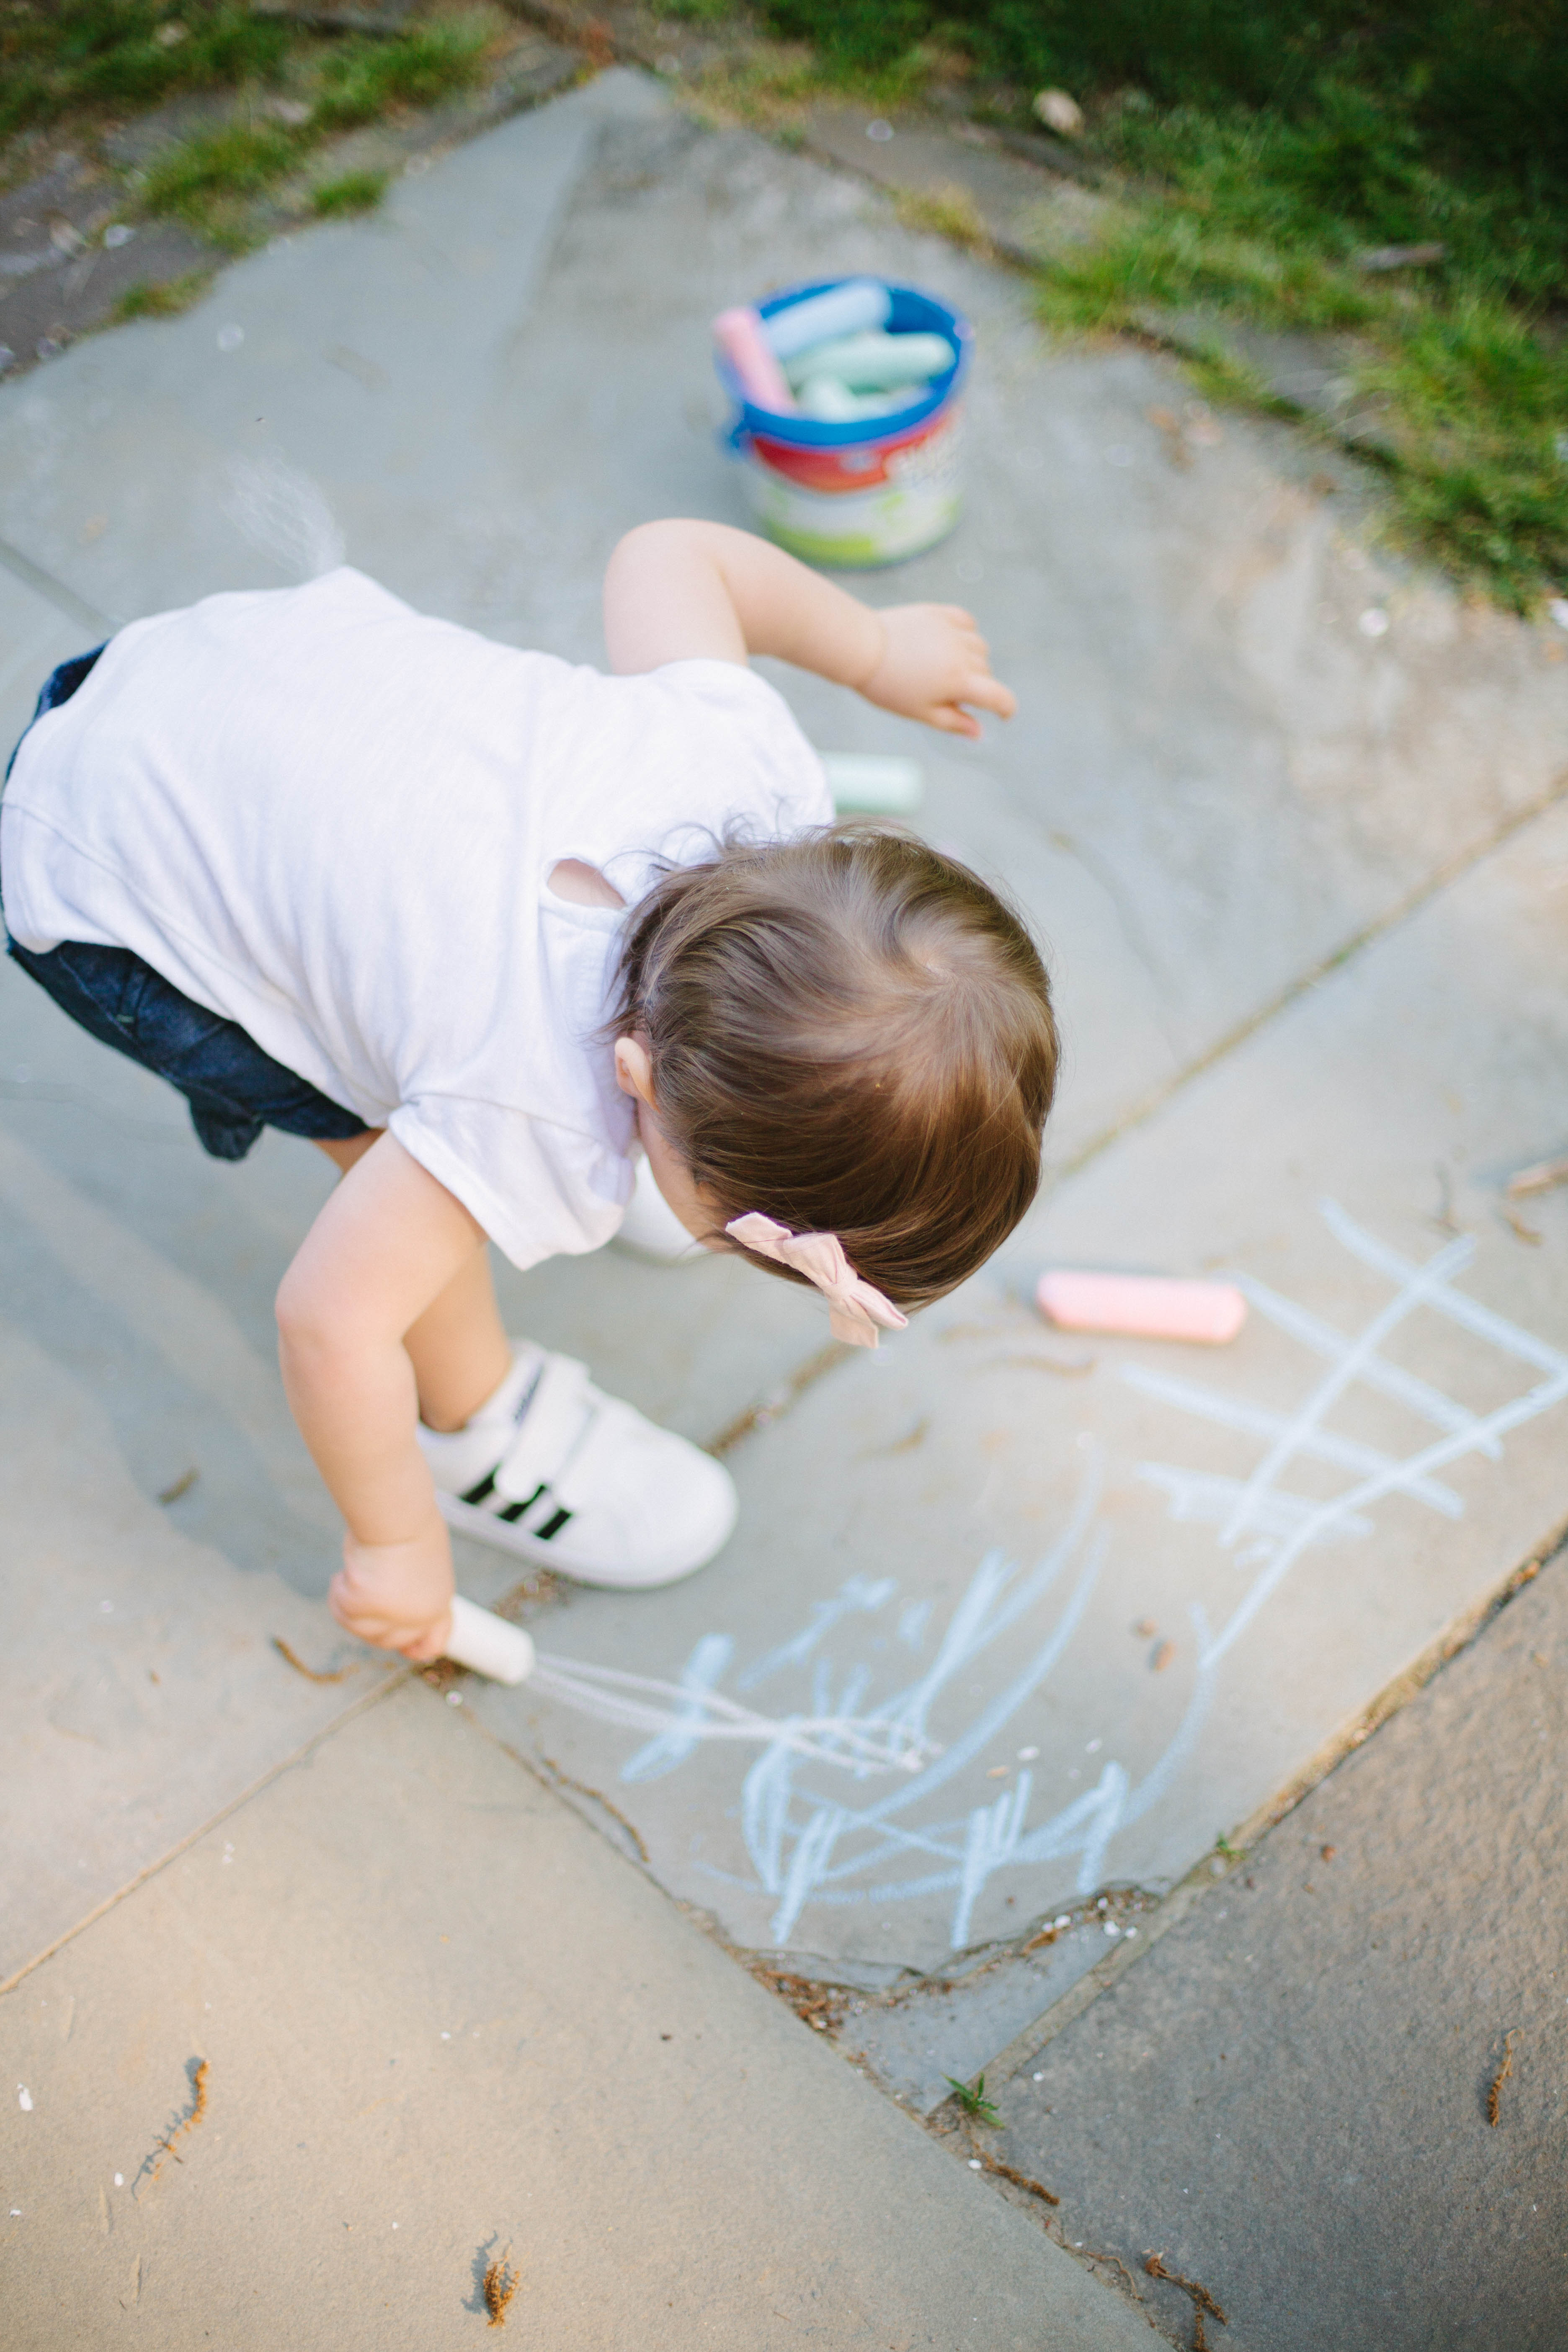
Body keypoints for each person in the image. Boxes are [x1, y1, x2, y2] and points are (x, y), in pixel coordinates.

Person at [0, 519, 1057, 1660]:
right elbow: (330, 1322)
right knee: (393, 1171)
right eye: (748, 1233)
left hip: (209, 671)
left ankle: (678, 1161)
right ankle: (475, 1426)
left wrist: (871, 647)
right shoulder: (522, 1104)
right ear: (637, 1077)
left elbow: (670, 557)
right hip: (106, 873)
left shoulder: (752, 774)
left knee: (442, 1134)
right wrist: (396, 1543)